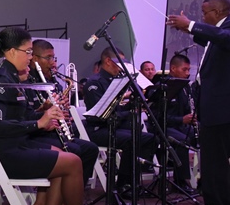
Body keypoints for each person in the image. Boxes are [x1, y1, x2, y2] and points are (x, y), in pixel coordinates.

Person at [0, 27, 96, 205]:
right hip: (3, 154)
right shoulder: (1, 78)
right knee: (73, 162)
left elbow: (18, 116)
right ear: (11, 51)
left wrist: (43, 116)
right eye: (27, 52)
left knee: (65, 156)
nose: (30, 57)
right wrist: (38, 123)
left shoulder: (10, 75)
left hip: (15, 145)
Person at [167, 0, 230, 205]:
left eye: (205, 13)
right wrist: (187, 29)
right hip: (214, 109)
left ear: (218, 12)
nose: (202, 17)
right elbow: (211, 39)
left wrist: (191, 24)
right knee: (211, 160)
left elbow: (222, 37)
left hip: (221, 110)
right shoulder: (220, 34)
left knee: (217, 162)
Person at [83, 47, 156, 193]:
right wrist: (129, 112)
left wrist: (133, 104)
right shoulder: (94, 83)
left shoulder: (117, 80)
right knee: (132, 139)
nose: (123, 66)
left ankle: (133, 179)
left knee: (150, 138)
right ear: (108, 61)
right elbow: (101, 115)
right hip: (99, 129)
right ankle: (124, 185)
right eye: (120, 62)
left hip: (115, 126)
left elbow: (117, 110)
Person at [30, 40, 99, 185]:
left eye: (53, 58)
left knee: (91, 149)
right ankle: (65, 192)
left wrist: (64, 110)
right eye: (48, 58)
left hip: (54, 132)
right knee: (74, 151)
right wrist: (45, 109)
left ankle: (76, 190)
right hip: (37, 134)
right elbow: (28, 113)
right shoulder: (28, 82)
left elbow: (60, 110)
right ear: (35, 59)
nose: (53, 63)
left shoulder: (53, 82)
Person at [149, 54, 197, 193]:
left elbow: (187, 110)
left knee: (208, 135)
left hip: (180, 126)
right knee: (182, 140)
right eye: (184, 69)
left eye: (189, 70)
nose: (187, 73)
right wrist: (181, 120)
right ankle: (180, 182)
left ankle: (207, 179)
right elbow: (156, 116)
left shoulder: (185, 87)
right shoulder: (162, 87)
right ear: (173, 68)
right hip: (163, 127)